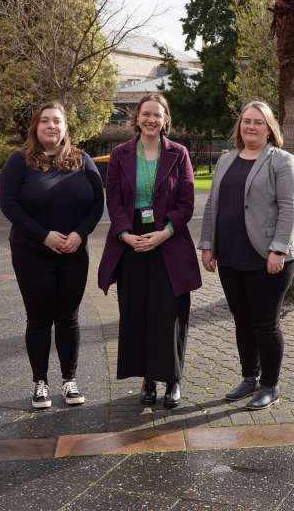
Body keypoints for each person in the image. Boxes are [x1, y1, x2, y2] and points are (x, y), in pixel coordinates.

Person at [0, 101, 104, 409]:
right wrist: (44, 236)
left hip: (73, 252)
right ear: (35, 127)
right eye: (45, 121)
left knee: (68, 318)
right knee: (39, 317)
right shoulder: (19, 162)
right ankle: (40, 383)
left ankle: (69, 380)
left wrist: (78, 234)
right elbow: (9, 205)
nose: (51, 126)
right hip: (32, 252)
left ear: (66, 127)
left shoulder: (83, 161)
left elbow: (97, 204)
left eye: (57, 121)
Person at [98, 93, 200, 409]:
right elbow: (113, 200)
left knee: (169, 315)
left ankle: (172, 380)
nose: (151, 120)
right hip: (132, 245)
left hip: (168, 242)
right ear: (137, 118)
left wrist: (164, 233)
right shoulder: (120, 154)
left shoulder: (179, 154)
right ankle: (148, 379)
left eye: (157, 114)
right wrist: (126, 235)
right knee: (137, 313)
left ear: (165, 119)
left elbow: (186, 203)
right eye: (146, 114)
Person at [199, 101, 294, 411]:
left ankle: (270, 385)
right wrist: (207, 244)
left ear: (270, 128)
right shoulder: (227, 160)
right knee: (242, 320)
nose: (251, 126)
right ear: (239, 126)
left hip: (268, 257)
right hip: (230, 254)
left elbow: (289, 208)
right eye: (246, 121)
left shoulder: (282, 161)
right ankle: (249, 378)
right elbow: (211, 205)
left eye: (258, 122)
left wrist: (278, 248)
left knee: (265, 323)